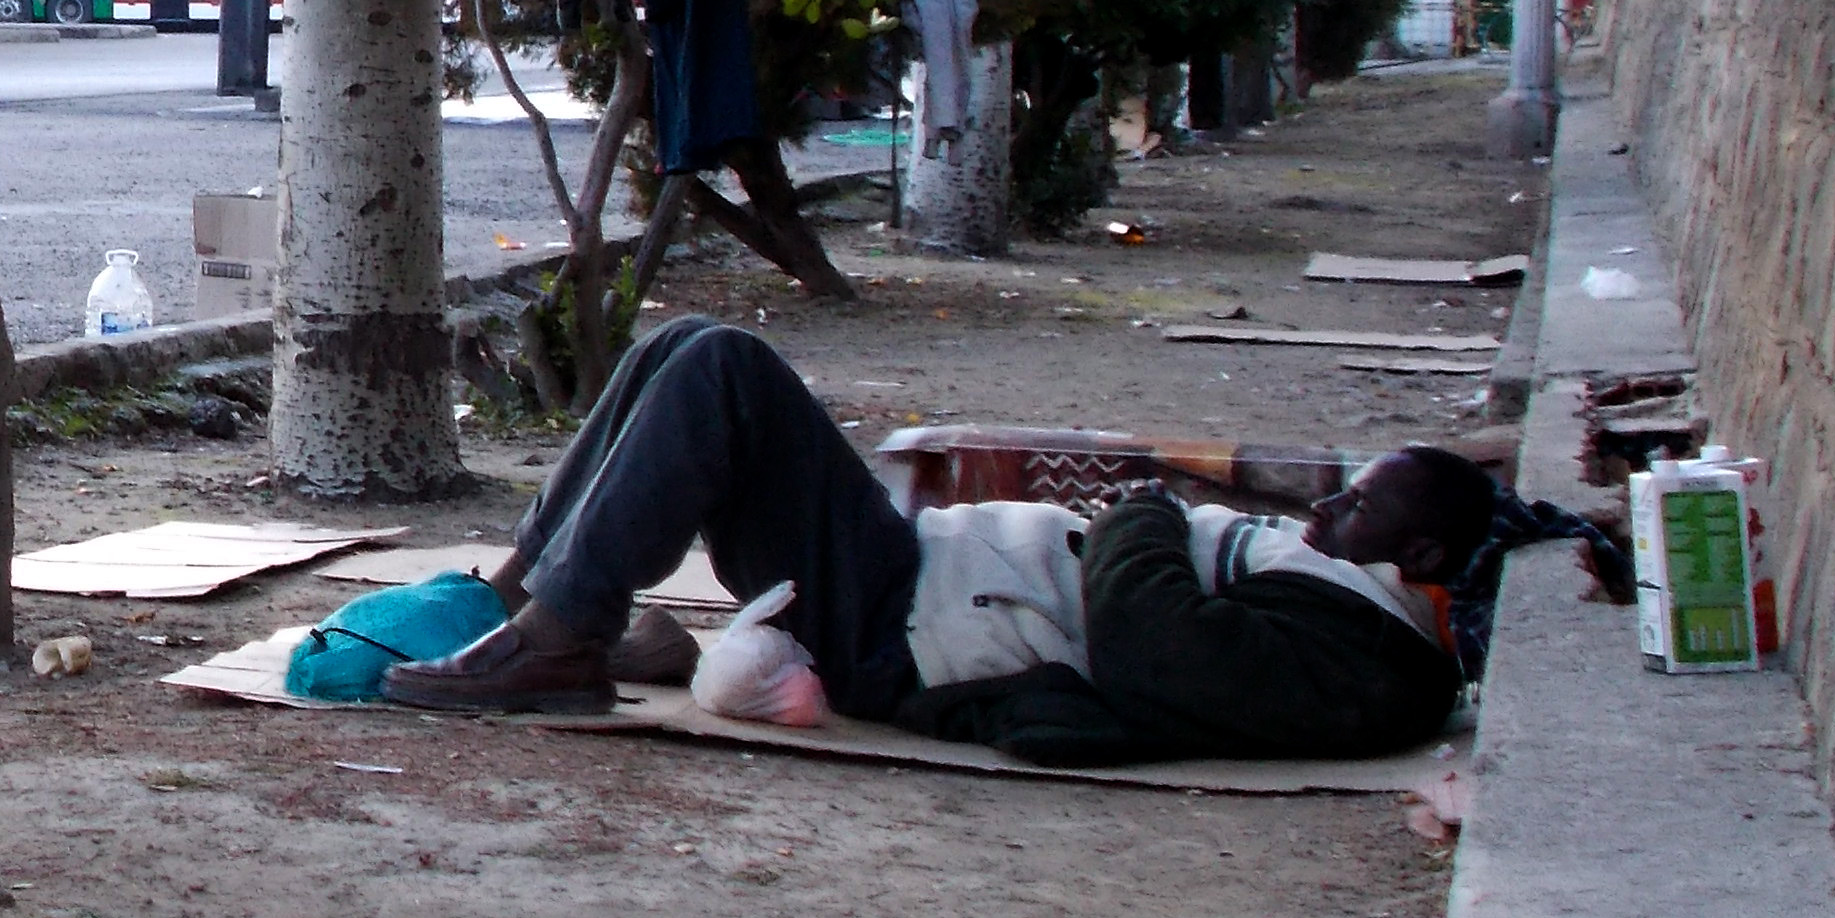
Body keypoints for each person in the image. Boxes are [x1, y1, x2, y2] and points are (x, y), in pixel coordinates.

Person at [376, 316, 1497, 763]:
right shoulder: (1359, 619)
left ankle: (560, 635)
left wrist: (1145, 512)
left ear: (1427, 560)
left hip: (906, 633)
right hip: (928, 586)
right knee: (691, 343)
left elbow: (1161, 641)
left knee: (727, 372)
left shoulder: (1372, 656)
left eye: (1365, 510)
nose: (1331, 512)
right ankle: (526, 605)